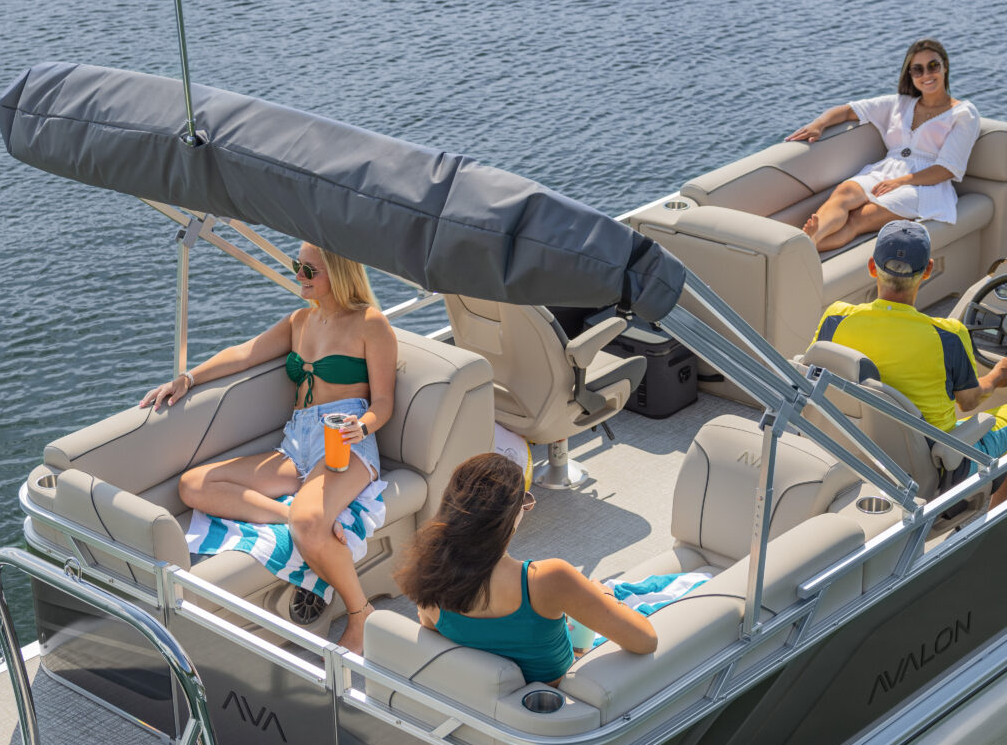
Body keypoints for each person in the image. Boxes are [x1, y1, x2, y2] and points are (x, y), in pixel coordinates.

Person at [141, 242, 398, 654]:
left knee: (311, 521)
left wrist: (361, 427)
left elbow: (384, 402)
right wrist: (188, 378)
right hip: (296, 441)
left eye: (308, 270)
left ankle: (360, 612)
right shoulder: (300, 321)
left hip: (346, 443)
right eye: (297, 266)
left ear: (338, 272)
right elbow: (245, 354)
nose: (298, 276)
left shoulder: (371, 324)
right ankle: (291, 516)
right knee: (193, 485)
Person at [814, 221, 1007, 502]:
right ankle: (998, 511)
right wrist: (998, 376)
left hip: (850, 450)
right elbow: (969, 402)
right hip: (934, 470)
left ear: (872, 267)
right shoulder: (948, 336)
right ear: (927, 270)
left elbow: (816, 377)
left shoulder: (835, 318)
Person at [397, 454, 657, 685]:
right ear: (511, 515)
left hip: (496, 706)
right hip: (565, 701)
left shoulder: (426, 577)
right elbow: (645, 641)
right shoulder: (548, 579)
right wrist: (606, 597)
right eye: (525, 499)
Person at [786, 38, 982, 253]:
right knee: (845, 192)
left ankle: (806, 249)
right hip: (886, 172)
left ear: (945, 66)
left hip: (926, 186)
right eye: (918, 70)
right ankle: (811, 239)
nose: (926, 75)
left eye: (933, 66)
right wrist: (819, 124)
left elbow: (947, 169)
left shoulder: (963, 113)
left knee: (859, 218)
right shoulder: (899, 104)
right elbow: (847, 110)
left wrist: (901, 182)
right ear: (910, 75)